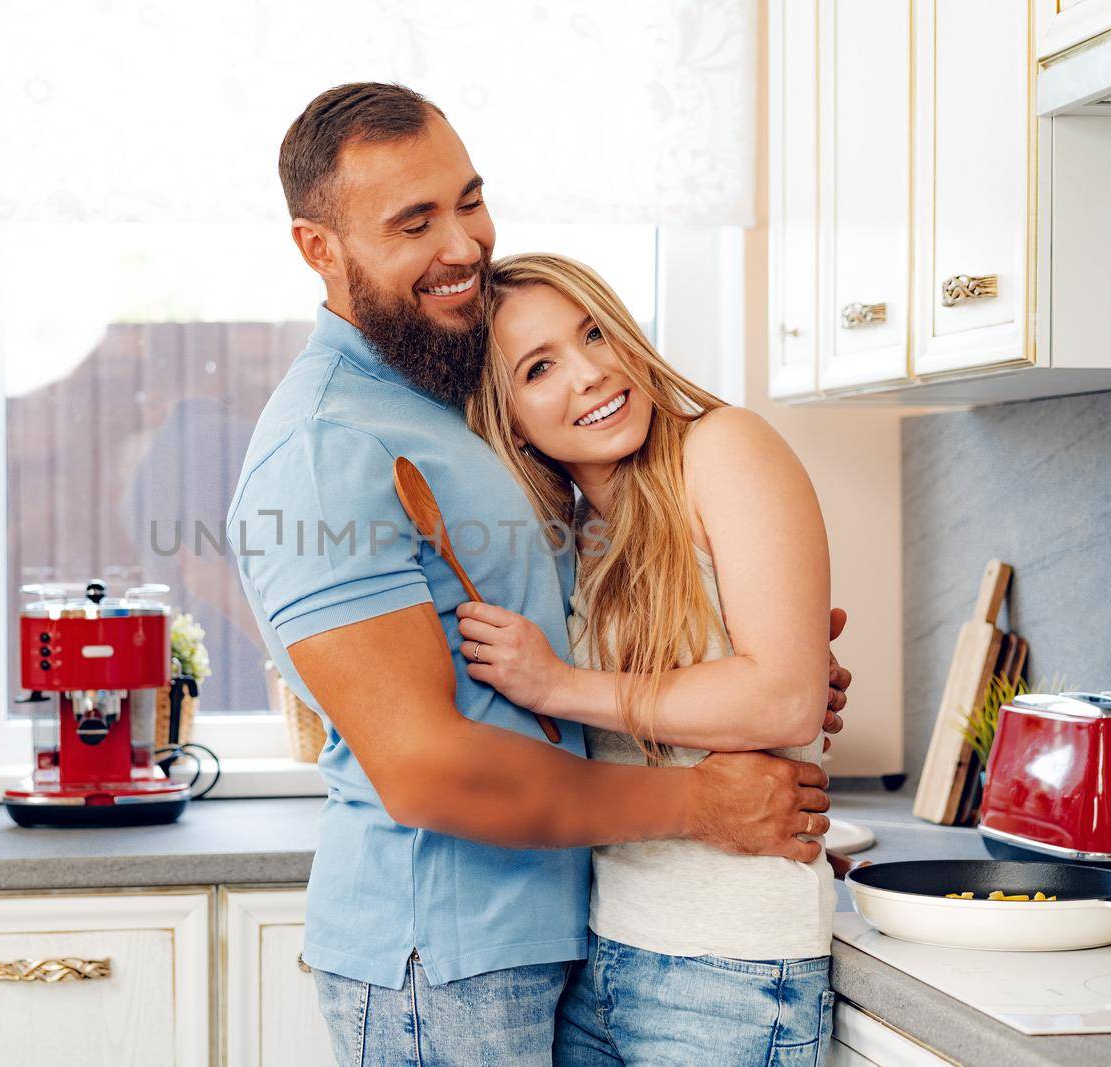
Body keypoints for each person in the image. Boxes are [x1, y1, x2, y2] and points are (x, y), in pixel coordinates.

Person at [226, 83, 851, 1065]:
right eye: (414, 221)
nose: (464, 244)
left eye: (469, 200)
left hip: (563, 938)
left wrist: (741, 655)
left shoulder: (439, 397)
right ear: (319, 248)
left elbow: (594, 651)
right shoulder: (326, 443)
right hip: (445, 947)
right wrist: (698, 797)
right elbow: (426, 766)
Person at [460, 253, 838, 1064]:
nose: (592, 373)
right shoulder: (576, 536)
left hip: (730, 971)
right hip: (603, 957)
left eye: (594, 331)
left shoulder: (725, 446)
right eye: (540, 367)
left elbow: (785, 698)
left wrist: (562, 685)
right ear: (509, 417)